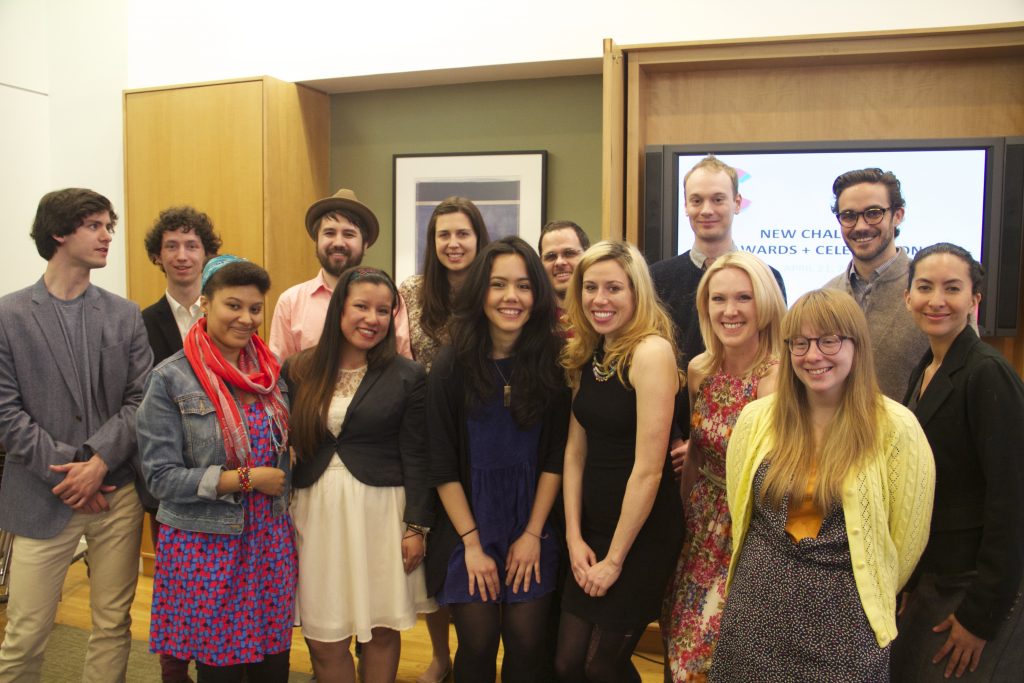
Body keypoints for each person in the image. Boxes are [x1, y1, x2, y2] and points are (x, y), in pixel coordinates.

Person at [709, 288, 935, 682]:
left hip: (847, 625)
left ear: (856, 345)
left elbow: (905, 543)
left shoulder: (897, 429)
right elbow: (739, 505)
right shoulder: (756, 419)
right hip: (755, 616)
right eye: (800, 342)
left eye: (829, 340)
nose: (813, 355)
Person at [0, 188, 151, 682]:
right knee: (24, 633)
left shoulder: (125, 314)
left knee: (113, 626)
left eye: (110, 225)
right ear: (59, 232)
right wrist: (72, 472)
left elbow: (141, 401)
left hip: (116, 493)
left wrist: (99, 463)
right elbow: (6, 413)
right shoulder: (9, 316)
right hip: (43, 495)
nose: (108, 235)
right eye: (95, 225)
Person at [137, 256, 296, 683]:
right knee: (220, 668)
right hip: (206, 543)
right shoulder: (170, 379)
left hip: (269, 540)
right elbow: (159, 478)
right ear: (204, 304)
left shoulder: (271, 374)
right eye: (233, 306)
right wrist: (247, 479)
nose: (246, 319)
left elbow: (281, 443)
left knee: (271, 665)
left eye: (256, 308)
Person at [425, 236, 570, 683]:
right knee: (477, 642)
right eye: (498, 285)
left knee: (528, 645)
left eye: (524, 286)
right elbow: (442, 464)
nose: (512, 297)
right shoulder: (450, 365)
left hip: (533, 521)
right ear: (480, 293)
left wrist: (531, 535)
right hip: (469, 524)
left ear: (537, 294)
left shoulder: (553, 361)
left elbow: (554, 458)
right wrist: (471, 544)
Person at [286, 266, 436, 683]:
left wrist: (417, 527)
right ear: (339, 310)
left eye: (383, 310)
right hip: (314, 513)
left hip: (383, 513)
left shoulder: (408, 376)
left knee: (382, 628)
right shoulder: (298, 370)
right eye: (362, 307)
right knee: (323, 634)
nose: (372, 318)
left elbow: (419, 456)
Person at [891, 243, 1024, 681]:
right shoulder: (928, 366)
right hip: (934, 577)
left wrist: (980, 617)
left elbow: (1012, 500)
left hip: (970, 590)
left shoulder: (987, 372)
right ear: (908, 297)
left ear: (974, 300)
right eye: (925, 287)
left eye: (953, 288)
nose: (937, 300)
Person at [556, 240, 684, 683]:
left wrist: (614, 559)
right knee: (568, 663)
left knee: (601, 665)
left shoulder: (650, 352)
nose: (599, 299)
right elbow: (575, 451)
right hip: (591, 528)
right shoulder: (588, 351)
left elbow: (650, 468)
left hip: (640, 534)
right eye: (590, 287)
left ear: (636, 293)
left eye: (613, 288)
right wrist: (574, 536)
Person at [660, 251, 785, 682]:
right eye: (718, 299)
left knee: (713, 657)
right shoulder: (699, 370)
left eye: (743, 298)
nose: (729, 311)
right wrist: (678, 524)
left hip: (751, 531)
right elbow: (696, 452)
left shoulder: (778, 376)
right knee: (680, 644)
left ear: (764, 304)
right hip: (699, 526)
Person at [649, 155, 785, 478]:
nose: (706, 209)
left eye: (718, 199)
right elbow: (651, 367)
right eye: (696, 200)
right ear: (685, 206)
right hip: (668, 449)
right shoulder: (656, 279)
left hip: (745, 457)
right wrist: (678, 438)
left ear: (737, 203)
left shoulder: (768, 277)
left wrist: (707, 444)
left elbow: (775, 353)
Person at [141, 205, 223, 683]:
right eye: (171, 245)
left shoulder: (230, 311)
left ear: (207, 253)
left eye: (192, 245)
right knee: (177, 586)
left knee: (218, 587)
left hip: (229, 477)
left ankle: (221, 659)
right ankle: (176, 669)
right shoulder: (143, 321)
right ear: (158, 255)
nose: (182, 254)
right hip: (171, 478)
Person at [824, 167, 929, 401]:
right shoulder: (827, 294)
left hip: (913, 436)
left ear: (898, 215)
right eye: (849, 216)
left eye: (873, 213)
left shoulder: (931, 294)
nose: (861, 226)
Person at [269, 188, 411, 361]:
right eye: (329, 233)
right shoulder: (291, 302)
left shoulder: (390, 298)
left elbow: (403, 366)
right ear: (317, 240)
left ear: (365, 244)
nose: (338, 242)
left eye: (349, 234)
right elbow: (280, 375)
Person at [399, 196, 491, 372]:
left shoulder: (493, 290)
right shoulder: (410, 290)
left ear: (478, 238)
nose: (453, 244)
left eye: (463, 234)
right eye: (444, 235)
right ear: (433, 241)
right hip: (421, 397)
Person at [538, 220, 590, 319]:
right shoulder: (529, 320)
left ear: (587, 255)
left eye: (569, 253)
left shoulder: (602, 314)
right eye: (551, 256)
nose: (559, 262)